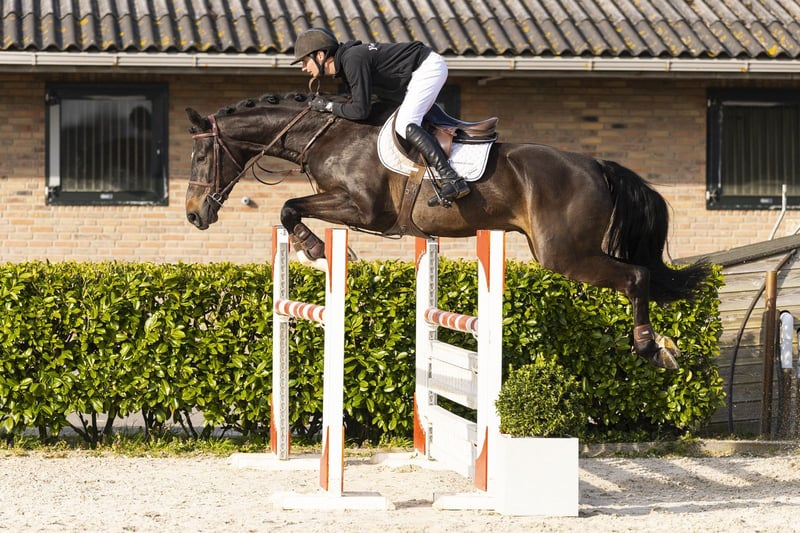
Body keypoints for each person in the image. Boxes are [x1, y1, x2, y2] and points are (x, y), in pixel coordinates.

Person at [292, 27, 470, 207]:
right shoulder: (348, 63)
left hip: (426, 67)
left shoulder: (352, 59)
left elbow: (360, 111)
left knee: (404, 124)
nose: (303, 68)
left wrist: (328, 106)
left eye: (305, 61)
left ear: (320, 55)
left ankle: (451, 178)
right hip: (416, 73)